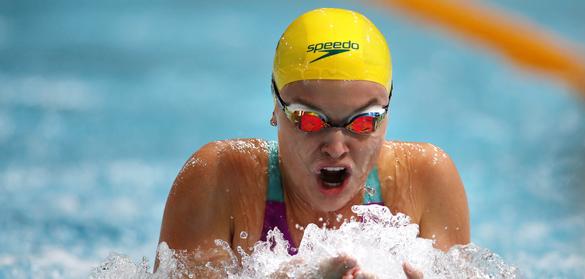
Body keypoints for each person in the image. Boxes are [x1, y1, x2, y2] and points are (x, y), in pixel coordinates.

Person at [157, 7, 469, 278]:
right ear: (276, 108)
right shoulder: (218, 180)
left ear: (387, 114)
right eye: (310, 120)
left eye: (363, 121)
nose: (335, 146)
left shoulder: (428, 180)